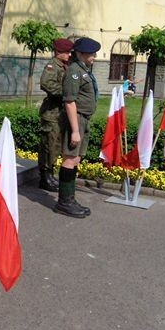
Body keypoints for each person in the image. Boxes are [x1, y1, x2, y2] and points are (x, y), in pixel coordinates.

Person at [54, 37, 100, 218]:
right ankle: (64, 202)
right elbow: (70, 102)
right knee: (70, 159)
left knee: (76, 159)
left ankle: (70, 198)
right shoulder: (74, 71)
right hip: (76, 119)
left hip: (83, 119)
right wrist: (74, 130)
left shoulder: (83, 70)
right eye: (91, 53)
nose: (94, 56)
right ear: (80, 54)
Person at [38, 38, 74, 192]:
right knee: (48, 146)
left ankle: (50, 174)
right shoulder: (53, 66)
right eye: (67, 52)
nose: (69, 55)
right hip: (52, 113)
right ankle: (45, 177)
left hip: (60, 113)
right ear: (58, 52)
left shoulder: (65, 66)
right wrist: (66, 93)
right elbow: (46, 83)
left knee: (56, 146)